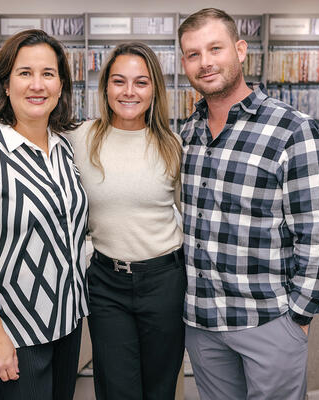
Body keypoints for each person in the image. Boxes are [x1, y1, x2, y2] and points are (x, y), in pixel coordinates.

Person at [178, 8, 319, 400]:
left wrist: (298, 317)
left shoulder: (292, 129)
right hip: (202, 323)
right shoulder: (186, 133)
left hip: (267, 320)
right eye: (193, 54)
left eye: (215, 48)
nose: (205, 63)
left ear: (240, 50)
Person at [0, 29, 88, 400]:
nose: (37, 84)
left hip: (68, 320)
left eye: (48, 73)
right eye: (24, 72)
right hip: (16, 331)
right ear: (6, 84)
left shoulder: (65, 150)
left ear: (61, 86)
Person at [64, 42, 185, 400]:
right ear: (105, 88)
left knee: (160, 388)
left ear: (154, 90)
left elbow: (192, 216)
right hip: (106, 284)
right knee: (117, 388)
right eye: (119, 81)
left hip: (165, 281)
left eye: (141, 82)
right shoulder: (79, 139)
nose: (129, 92)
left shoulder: (173, 146)